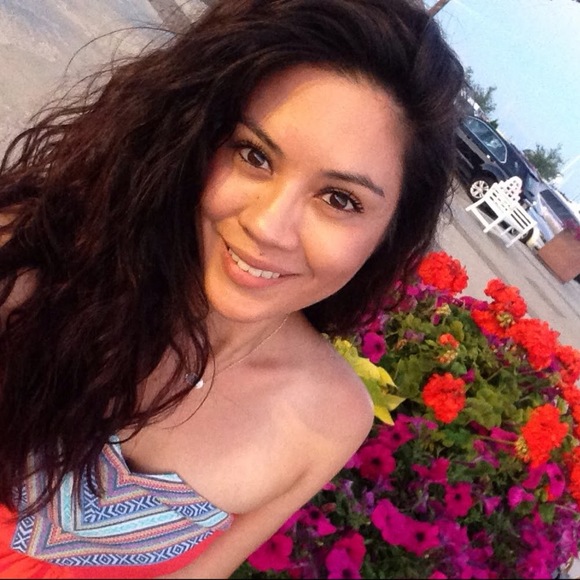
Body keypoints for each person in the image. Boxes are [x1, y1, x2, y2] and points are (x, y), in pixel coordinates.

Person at [0, 0, 463, 577]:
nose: (268, 226)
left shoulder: (331, 418)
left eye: (339, 199)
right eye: (254, 155)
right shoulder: (33, 265)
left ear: (390, 232)